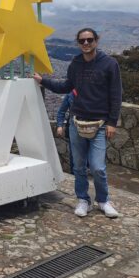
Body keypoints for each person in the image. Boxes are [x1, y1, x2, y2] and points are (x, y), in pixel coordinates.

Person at [34, 28, 122, 218]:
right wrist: (44, 82)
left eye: (89, 40)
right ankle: (83, 199)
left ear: (96, 41)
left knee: (98, 167)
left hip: (99, 123)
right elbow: (67, 86)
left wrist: (112, 122)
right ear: (78, 43)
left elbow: (116, 95)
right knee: (79, 166)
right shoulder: (75, 64)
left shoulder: (109, 64)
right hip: (76, 121)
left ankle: (103, 200)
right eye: (82, 41)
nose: (86, 44)